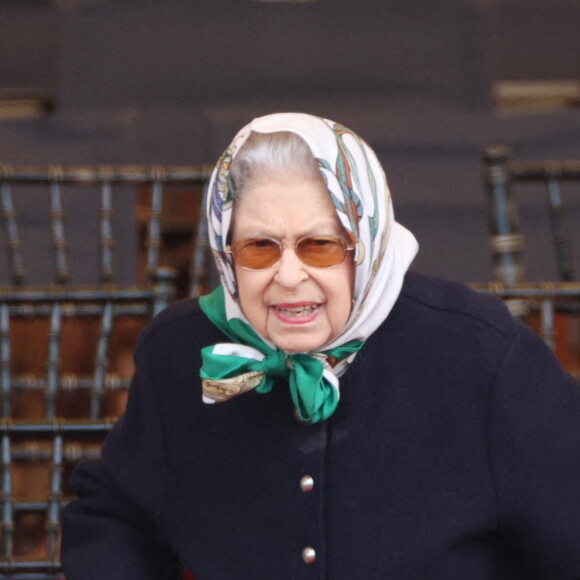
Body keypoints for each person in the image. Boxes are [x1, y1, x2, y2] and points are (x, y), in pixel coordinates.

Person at [61, 112, 580, 579]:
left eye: (321, 245)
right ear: (226, 251)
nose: (289, 276)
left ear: (368, 243)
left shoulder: (477, 354)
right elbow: (113, 513)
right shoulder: (180, 353)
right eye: (260, 247)